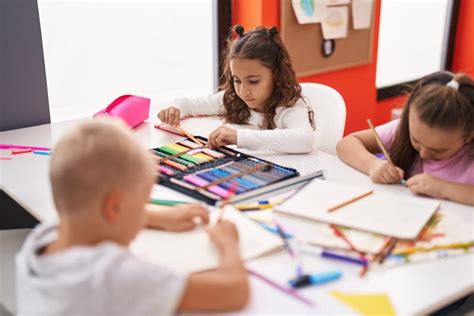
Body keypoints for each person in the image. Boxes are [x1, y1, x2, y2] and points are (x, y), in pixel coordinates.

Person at [16, 118, 249, 315]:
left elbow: (86, 212)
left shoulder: (41, 240)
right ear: (114, 207)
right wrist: (228, 243)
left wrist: (158, 217)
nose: (143, 213)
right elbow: (234, 291)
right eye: (143, 203)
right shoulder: (113, 277)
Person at [158, 24, 316, 154]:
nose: (243, 90)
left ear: (276, 75)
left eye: (253, 81)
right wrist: (175, 108)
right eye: (236, 80)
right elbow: (192, 105)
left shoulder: (289, 105)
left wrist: (239, 137)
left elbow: (305, 140)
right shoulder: (233, 98)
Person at [336, 71, 474, 205]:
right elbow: (346, 144)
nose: (423, 153)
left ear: (469, 136)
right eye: (416, 141)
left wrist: (443, 188)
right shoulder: (402, 129)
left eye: (438, 150)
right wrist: (372, 164)